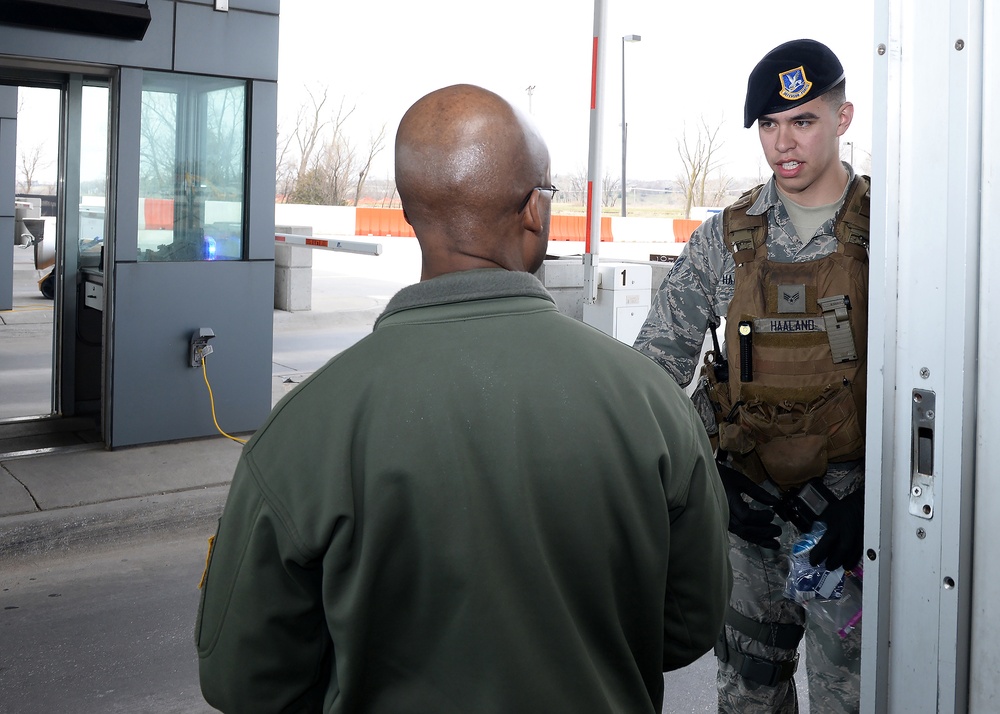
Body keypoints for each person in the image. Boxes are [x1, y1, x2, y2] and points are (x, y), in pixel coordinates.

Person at [196, 83, 732, 714]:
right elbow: (691, 622)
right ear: (534, 209)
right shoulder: (648, 401)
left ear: (408, 210)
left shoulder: (307, 423)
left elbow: (243, 678)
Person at [634, 40, 869, 714]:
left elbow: (929, 389)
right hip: (748, 531)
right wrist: (703, 485)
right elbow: (654, 372)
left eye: (803, 120)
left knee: (845, 702)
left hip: (847, 537)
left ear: (842, 117)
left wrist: (876, 505)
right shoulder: (727, 238)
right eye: (769, 124)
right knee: (745, 701)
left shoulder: (892, 231)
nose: (782, 142)